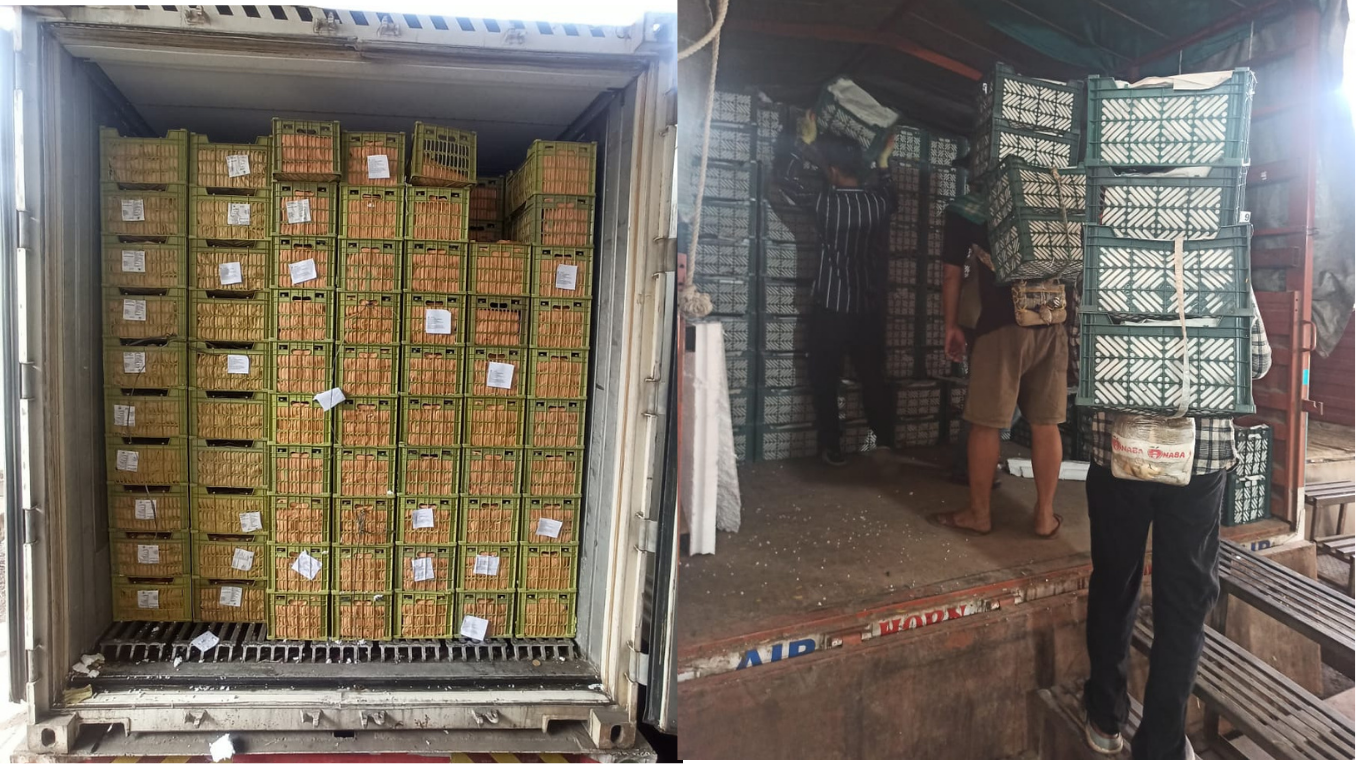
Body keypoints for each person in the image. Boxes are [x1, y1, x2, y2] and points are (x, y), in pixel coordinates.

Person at [1083, 297, 1272, 759]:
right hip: (1199, 461)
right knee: (1184, 600)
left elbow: (1082, 358)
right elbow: (1256, 361)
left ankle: (1105, 718)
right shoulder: (1225, 268)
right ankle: (1162, 745)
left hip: (1119, 453)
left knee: (1114, 581)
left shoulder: (1103, 266)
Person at [935, 157, 1067, 538]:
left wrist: (951, 326)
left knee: (986, 423)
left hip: (1000, 326)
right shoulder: (1052, 200)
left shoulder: (966, 211)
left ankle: (979, 514)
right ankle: (1044, 517)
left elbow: (951, 274)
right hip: (1051, 319)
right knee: (1046, 423)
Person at [770, 112, 900, 467]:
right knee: (872, 377)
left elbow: (783, 180)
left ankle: (833, 447)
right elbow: (892, 197)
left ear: (832, 171)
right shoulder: (876, 204)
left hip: (831, 305)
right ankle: (885, 442)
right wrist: (884, 162)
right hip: (867, 308)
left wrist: (802, 144)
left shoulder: (826, 204)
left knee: (824, 377)